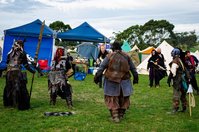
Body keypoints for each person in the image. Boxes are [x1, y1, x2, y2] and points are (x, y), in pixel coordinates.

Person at [94, 41, 138, 123]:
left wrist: (96, 77)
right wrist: (136, 77)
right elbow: (133, 68)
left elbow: (101, 67)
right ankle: (120, 115)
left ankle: (115, 117)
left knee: (112, 98)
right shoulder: (126, 56)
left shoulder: (109, 56)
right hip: (125, 81)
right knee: (124, 98)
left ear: (113, 48)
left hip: (111, 81)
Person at [3, 40, 35, 110]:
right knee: (19, 88)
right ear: (21, 45)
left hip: (9, 72)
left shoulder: (9, 53)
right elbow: (26, 65)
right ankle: (20, 104)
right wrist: (32, 71)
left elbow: (7, 62)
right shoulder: (22, 53)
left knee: (9, 87)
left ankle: (10, 104)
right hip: (16, 72)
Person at [167, 48, 191, 113]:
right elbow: (185, 70)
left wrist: (169, 79)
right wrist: (188, 78)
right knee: (183, 94)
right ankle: (184, 108)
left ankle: (175, 109)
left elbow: (173, 72)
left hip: (178, 80)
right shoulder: (180, 60)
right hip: (183, 80)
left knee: (176, 95)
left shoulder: (175, 61)